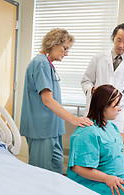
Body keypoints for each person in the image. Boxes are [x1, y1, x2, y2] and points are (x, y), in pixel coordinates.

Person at [20, 28, 93, 174]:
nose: (66, 54)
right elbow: (47, 100)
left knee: (56, 171)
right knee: (41, 175)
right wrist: (74, 119)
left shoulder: (47, 64)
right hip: (42, 129)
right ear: (54, 44)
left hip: (52, 129)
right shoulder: (40, 64)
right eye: (65, 49)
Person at [81, 23, 124, 133]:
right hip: (94, 111)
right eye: (118, 40)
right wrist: (92, 90)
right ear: (113, 38)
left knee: (112, 146)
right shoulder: (98, 58)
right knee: (90, 142)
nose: (121, 45)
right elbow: (86, 81)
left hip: (115, 116)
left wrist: (114, 101)